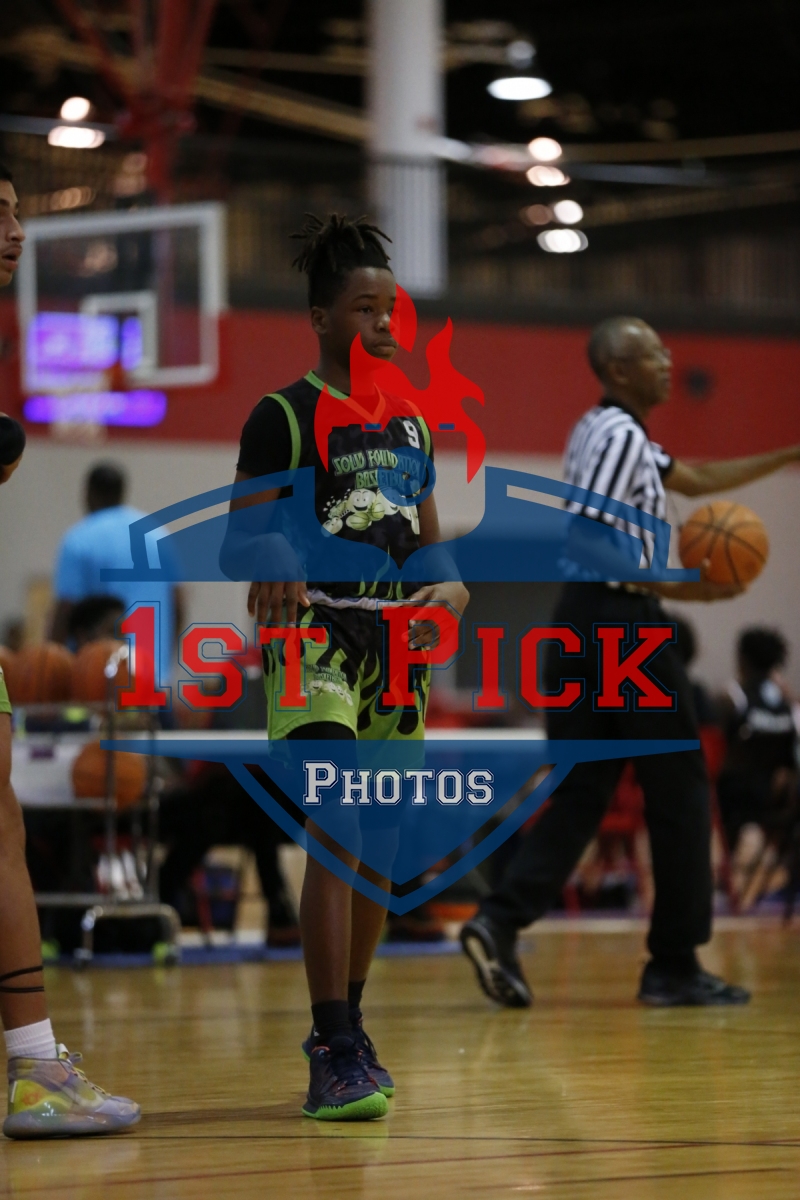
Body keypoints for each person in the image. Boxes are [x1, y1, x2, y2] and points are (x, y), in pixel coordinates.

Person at [461, 314, 800, 1008]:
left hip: (582, 623)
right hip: (621, 624)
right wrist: (683, 586)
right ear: (618, 370)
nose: (669, 362)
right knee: (680, 788)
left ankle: (498, 921)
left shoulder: (610, 432)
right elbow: (587, 540)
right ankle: (673, 962)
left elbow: (698, 478)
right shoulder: (619, 437)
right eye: (654, 355)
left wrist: (786, 455)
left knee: (582, 790)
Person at [227, 213, 468, 1120]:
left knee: (382, 848)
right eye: (364, 309)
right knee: (337, 822)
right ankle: (331, 1043)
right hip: (312, 638)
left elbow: (429, 546)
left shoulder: (412, 423)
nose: (383, 324)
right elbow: (236, 541)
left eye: (390, 309)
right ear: (322, 319)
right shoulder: (283, 416)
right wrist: (271, 553)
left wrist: (453, 585)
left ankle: (351, 1029)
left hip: (395, 646)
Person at [0, 159, 139, 1137]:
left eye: (18, 213)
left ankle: (34, 1061)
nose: (17, 231)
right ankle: (34, 1067)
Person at [50, 463, 183, 686]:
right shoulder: (156, 536)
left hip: (100, 680)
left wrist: (50, 668)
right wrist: (165, 661)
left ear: (89, 493)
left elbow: (65, 609)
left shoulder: (79, 539)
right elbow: (177, 605)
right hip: (152, 675)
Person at [717, 628, 798, 855]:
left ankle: (727, 864)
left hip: (735, 794)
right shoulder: (788, 703)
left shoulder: (734, 697)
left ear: (743, 659)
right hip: (774, 796)